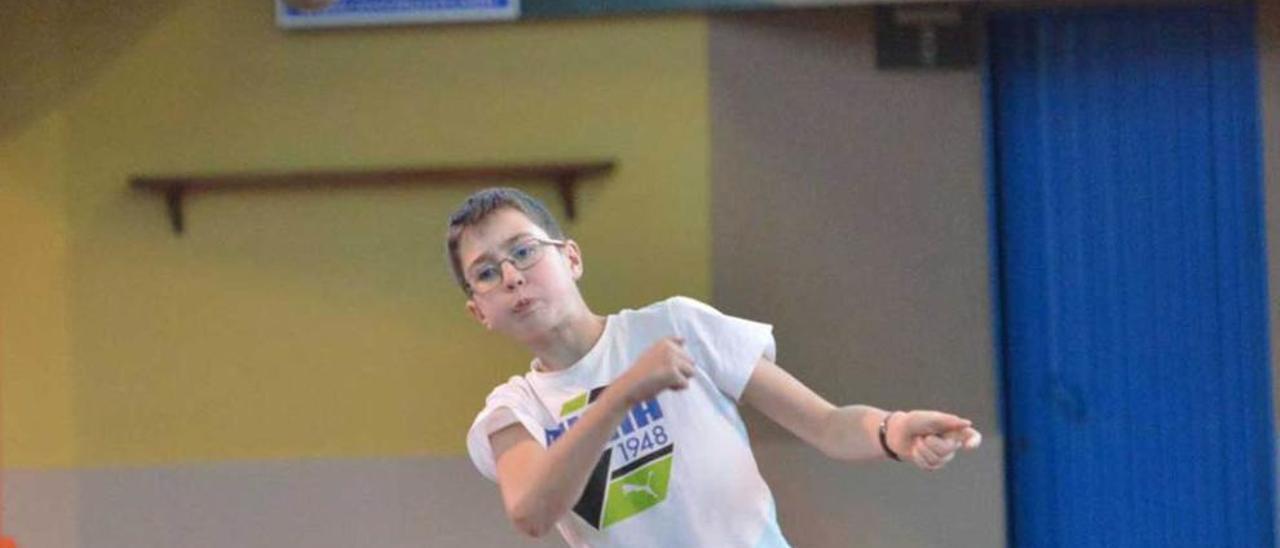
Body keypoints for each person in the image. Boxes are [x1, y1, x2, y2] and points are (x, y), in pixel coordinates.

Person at [452, 188, 981, 547]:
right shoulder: (512, 412)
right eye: (488, 273)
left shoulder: (677, 326)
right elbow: (531, 512)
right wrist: (620, 396)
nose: (513, 277)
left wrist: (892, 430)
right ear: (478, 311)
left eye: (524, 251)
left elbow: (826, 424)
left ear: (571, 258)